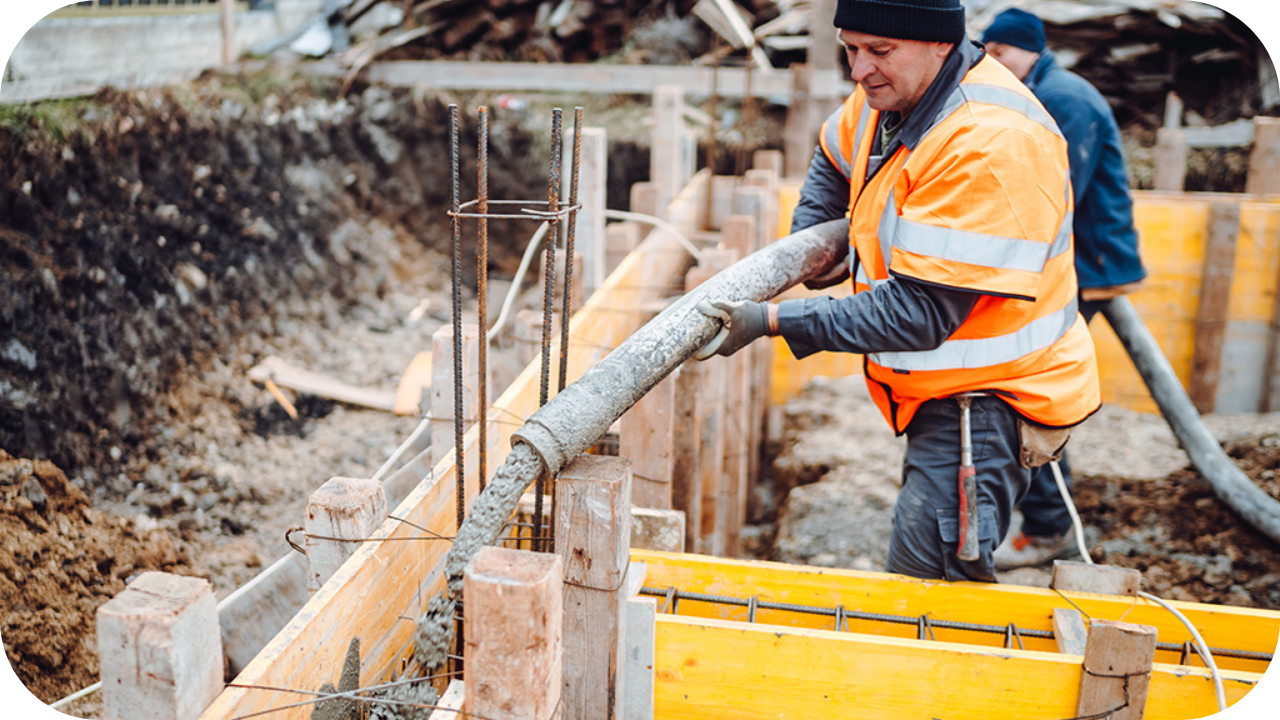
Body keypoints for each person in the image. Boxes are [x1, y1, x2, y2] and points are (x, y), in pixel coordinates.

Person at [696, 0, 1101, 583]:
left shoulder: (989, 143)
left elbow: (920, 313)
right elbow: (834, 154)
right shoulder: (887, 95)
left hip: (986, 402)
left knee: (927, 585)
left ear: (941, 44)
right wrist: (814, 239)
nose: (859, 71)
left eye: (879, 51)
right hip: (941, 386)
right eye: (850, 49)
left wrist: (774, 321)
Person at [981, 7, 1147, 570]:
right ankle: (1046, 518)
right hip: (1074, 264)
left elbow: (1053, 196)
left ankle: (1051, 526)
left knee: (1034, 391)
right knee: (1031, 388)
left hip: (1087, 267)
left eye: (1001, 53)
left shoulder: (1066, 99)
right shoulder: (1043, 91)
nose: (993, 63)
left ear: (1029, 49)